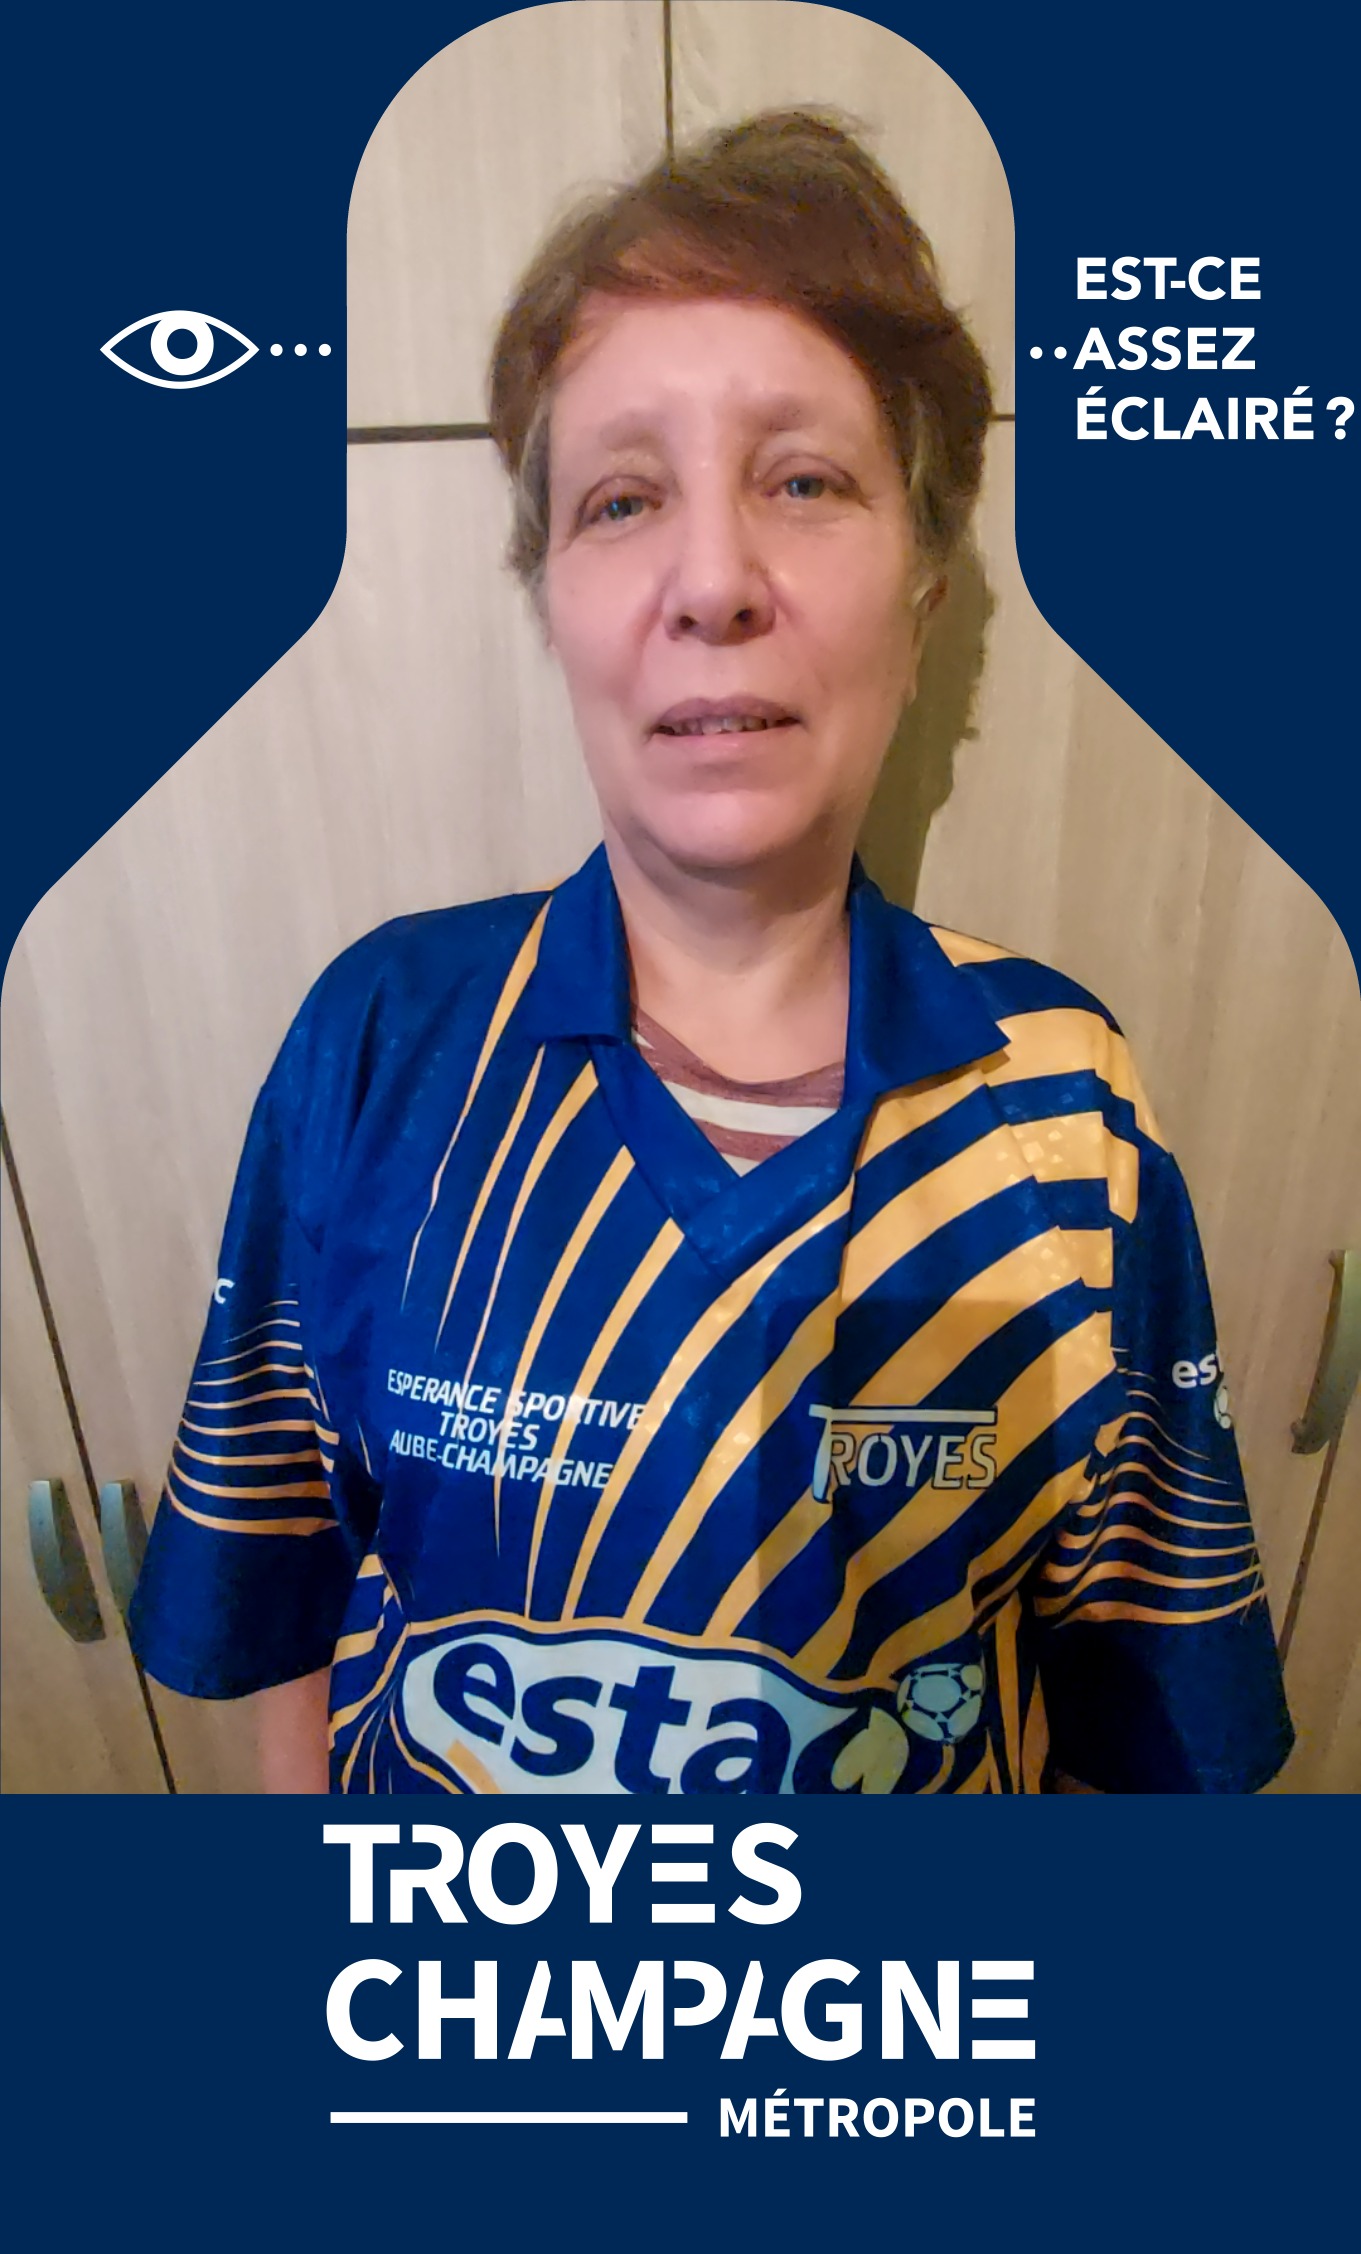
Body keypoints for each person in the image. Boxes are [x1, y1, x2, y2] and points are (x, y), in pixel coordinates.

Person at [128, 111, 1293, 1796]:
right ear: (553, 600)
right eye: (621, 498)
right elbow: (279, 1600)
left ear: (923, 590)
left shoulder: (1065, 1106)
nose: (712, 580)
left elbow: (1138, 1722)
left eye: (803, 480)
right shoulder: (380, 1040)